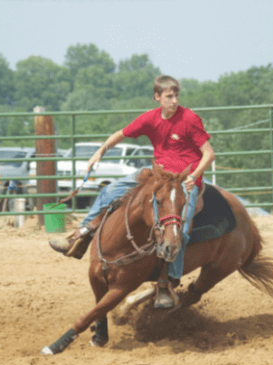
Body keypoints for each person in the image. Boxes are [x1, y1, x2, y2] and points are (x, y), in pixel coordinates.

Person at [49, 75, 215, 308]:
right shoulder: (150, 119)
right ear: (157, 97)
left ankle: (167, 283)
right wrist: (100, 151)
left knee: (181, 233)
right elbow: (121, 133)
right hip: (156, 176)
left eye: (176, 95)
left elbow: (209, 153)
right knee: (109, 191)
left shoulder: (189, 118)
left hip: (182, 182)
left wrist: (193, 177)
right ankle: (80, 236)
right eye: (169, 96)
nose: (174, 100)